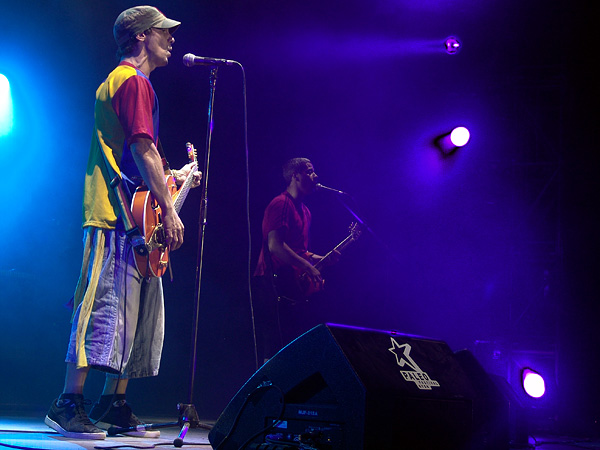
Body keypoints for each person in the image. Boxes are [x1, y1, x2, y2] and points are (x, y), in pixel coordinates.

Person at [44, 6, 201, 440]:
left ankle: (113, 403)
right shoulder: (130, 82)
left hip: (133, 215)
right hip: (113, 214)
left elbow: (143, 155)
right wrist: (169, 210)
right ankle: (67, 403)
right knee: (98, 304)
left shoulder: (137, 84)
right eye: (162, 32)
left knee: (135, 310)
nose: (171, 38)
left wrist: (174, 182)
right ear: (140, 38)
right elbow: (140, 149)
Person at [253, 158, 338, 363]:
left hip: (290, 282)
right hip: (272, 282)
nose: (315, 176)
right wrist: (308, 266)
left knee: (293, 344)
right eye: (310, 172)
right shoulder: (281, 203)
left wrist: (321, 258)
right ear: (295, 176)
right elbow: (275, 245)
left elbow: (299, 252)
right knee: (274, 345)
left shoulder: (306, 211)